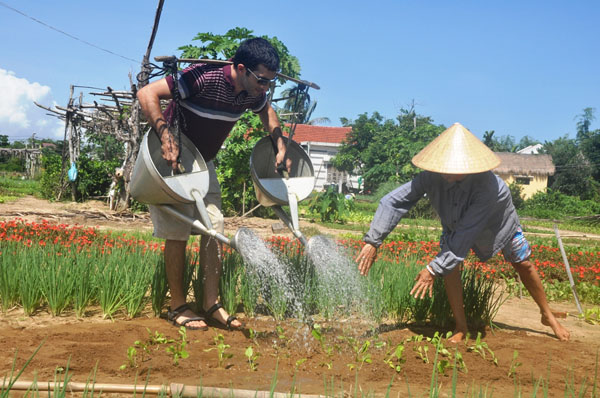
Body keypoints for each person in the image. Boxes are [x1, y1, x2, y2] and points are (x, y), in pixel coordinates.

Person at [355, 123, 570, 342]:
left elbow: (465, 235)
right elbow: (393, 201)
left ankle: (547, 314)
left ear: (468, 167)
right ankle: (461, 326)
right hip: (457, 224)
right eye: (443, 167)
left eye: (452, 167)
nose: (445, 172)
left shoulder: (489, 189)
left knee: (522, 263)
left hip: (498, 223)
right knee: (451, 268)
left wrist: (432, 269)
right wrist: (373, 241)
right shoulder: (431, 176)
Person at [137, 38, 291, 331]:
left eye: (270, 82)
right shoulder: (204, 77)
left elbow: (266, 111)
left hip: (203, 164)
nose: (265, 88)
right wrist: (165, 135)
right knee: (177, 232)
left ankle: (211, 304)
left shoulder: (251, 93)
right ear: (241, 68)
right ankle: (178, 306)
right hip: (174, 160)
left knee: (215, 228)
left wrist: (279, 142)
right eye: (262, 80)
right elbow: (147, 93)